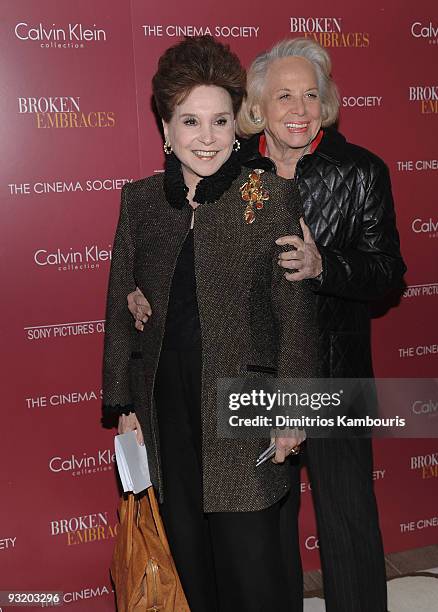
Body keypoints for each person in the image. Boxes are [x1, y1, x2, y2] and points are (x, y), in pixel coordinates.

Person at [129, 38, 406, 612]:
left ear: (327, 103)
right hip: (250, 381)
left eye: (311, 94)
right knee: (266, 529)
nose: (299, 108)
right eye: (283, 95)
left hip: (333, 374)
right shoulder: (232, 168)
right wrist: (148, 291)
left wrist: (324, 264)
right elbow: (184, 259)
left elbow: (388, 271)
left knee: (348, 520)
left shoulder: (361, 172)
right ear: (256, 106)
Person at [102, 35, 319, 612]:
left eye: (220, 120)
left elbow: (294, 315)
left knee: (252, 570)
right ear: (166, 132)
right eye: (190, 121)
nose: (206, 137)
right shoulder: (141, 201)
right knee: (190, 563)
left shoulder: (269, 195)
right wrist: (124, 405)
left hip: (243, 409)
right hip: (166, 408)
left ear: (236, 125)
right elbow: (120, 307)